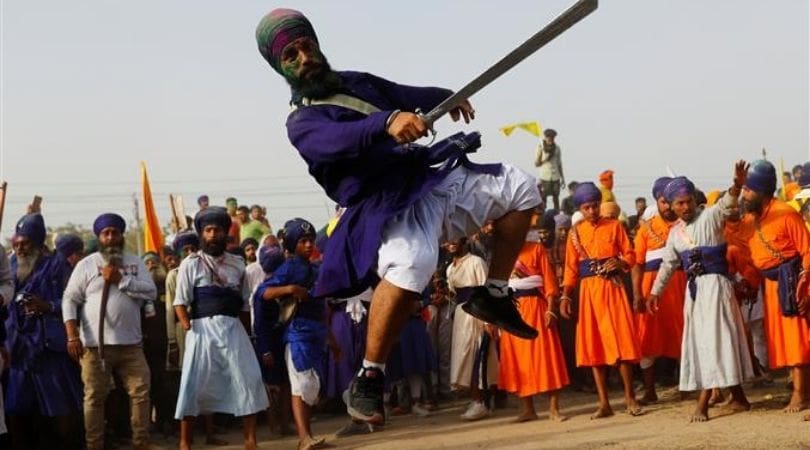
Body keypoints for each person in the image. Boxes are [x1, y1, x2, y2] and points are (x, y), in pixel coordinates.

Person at [256, 8, 541, 425]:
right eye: (291, 55)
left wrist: (447, 95)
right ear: (281, 67)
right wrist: (386, 123)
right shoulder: (302, 122)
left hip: (426, 177)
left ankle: (493, 293)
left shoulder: (356, 82)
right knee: (414, 266)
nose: (304, 58)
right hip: (385, 205)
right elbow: (341, 139)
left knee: (521, 188)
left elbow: (402, 92)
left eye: (306, 46)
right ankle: (370, 376)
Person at [649, 166, 755, 422]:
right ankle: (739, 398)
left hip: (717, 290)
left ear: (695, 201)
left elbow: (726, 205)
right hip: (695, 295)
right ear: (672, 206)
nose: (685, 207)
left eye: (688, 202)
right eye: (680, 203)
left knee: (717, 340)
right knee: (705, 342)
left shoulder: (710, 217)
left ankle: (703, 403)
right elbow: (668, 266)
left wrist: (736, 186)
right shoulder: (675, 234)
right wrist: (655, 292)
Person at [173, 207, 268, 450]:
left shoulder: (238, 264)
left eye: (218, 230)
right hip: (201, 331)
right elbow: (180, 303)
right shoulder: (190, 264)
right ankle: (185, 442)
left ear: (226, 233)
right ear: (201, 234)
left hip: (233, 330)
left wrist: (246, 334)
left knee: (247, 380)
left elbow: (245, 303)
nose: (213, 235)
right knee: (193, 385)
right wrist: (189, 330)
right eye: (209, 230)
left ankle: (250, 441)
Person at [62, 213, 157, 450]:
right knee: (94, 397)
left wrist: (122, 280)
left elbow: (151, 292)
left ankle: (141, 443)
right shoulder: (87, 264)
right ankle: (95, 445)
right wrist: (72, 335)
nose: (111, 237)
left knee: (140, 394)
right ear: (99, 237)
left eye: (115, 232)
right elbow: (69, 300)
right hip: (95, 346)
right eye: (106, 233)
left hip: (131, 345)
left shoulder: (134, 262)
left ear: (122, 235)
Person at [559, 182, 642, 419]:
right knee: (594, 346)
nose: (592, 211)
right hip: (588, 294)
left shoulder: (614, 226)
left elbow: (630, 254)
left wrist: (621, 263)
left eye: (595, 206)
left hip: (612, 290)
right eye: (587, 208)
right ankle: (604, 403)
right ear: (580, 209)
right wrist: (565, 296)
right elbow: (570, 269)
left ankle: (630, 398)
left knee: (621, 342)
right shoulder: (575, 234)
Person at [5, 214, 83, 450]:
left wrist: (47, 306)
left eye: (25, 243)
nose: (20, 248)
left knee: (59, 412)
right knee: (16, 410)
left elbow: (75, 300)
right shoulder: (8, 266)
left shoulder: (57, 265)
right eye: (16, 243)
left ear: (38, 242)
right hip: (18, 351)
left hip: (50, 350)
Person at [255, 218, 334, 450]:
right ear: (292, 244)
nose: (309, 245)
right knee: (301, 386)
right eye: (303, 241)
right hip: (297, 333)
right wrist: (290, 289)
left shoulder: (316, 268)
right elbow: (263, 293)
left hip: (316, 333)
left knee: (312, 386)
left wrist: (332, 340)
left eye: (311, 241)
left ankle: (308, 436)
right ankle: (303, 438)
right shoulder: (288, 268)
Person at [740, 160, 810, 413]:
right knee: (782, 339)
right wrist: (748, 281)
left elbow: (807, 250)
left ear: (762, 190)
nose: (744, 195)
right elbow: (750, 257)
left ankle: (800, 396)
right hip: (769, 287)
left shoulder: (786, 213)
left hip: (791, 281)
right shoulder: (749, 220)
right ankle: (800, 389)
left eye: (748, 190)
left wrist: (804, 283)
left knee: (796, 338)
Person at [499, 227, 570, 423]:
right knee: (518, 359)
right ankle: (527, 409)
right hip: (511, 311)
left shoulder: (536, 249)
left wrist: (550, 309)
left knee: (546, 356)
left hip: (536, 308)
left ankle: (554, 409)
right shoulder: (501, 255)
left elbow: (548, 280)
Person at [631, 177, 686, 404]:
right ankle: (649, 390)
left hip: (681, 286)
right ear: (657, 201)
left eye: (670, 201)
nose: (667, 206)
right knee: (647, 339)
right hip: (650, 289)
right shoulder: (646, 230)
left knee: (686, 334)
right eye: (663, 202)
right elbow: (637, 263)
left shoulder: (686, 225)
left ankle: (691, 385)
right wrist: (637, 295)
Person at [446, 238, 499, 421]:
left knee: (479, 355)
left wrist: (488, 320)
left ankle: (481, 401)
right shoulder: (450, 268)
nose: (450, 243)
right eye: (447, 240)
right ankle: (477, 400)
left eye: (454, 239)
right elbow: (453, 293)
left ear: (464, 241)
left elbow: (486, 291)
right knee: (465, 357)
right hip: (461, 315)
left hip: (477, 313)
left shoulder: (476, 262)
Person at [534, 128, 565, 211]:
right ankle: (543, 216)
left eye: (553, 137)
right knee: (543, 198)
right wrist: (545, 159)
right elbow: (536, 164)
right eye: (549, 137)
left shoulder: (557, 148)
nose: (551, 139)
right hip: (545, 177)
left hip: (556, 176)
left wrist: (563, 179)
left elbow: (559, 164)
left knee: (556, 198)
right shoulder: (540, 147)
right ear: (546, 137)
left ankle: (556, 214)